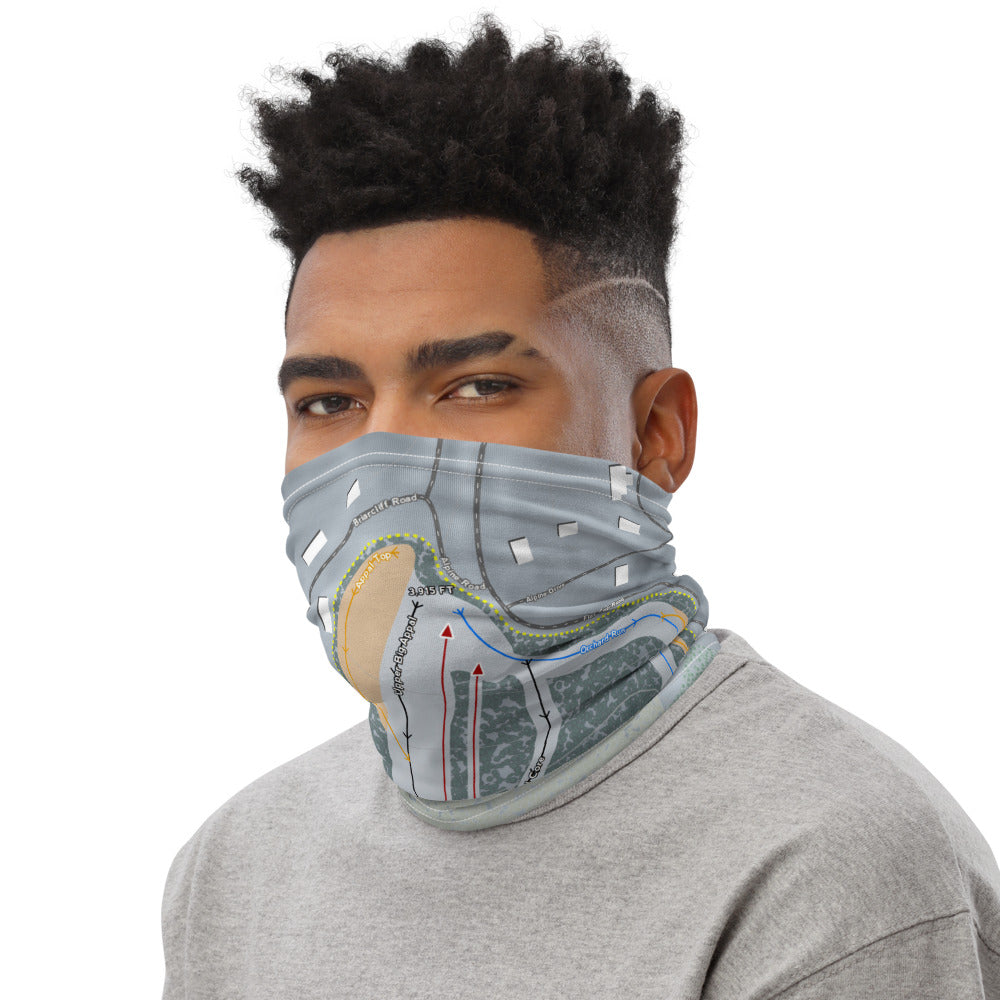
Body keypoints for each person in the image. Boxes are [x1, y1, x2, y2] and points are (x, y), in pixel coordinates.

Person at [161, 16, 1000, 998]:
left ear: (657, 434)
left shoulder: (824, 865)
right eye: (327, 402)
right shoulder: (235, 871)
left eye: (477, 386)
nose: (382, 466)